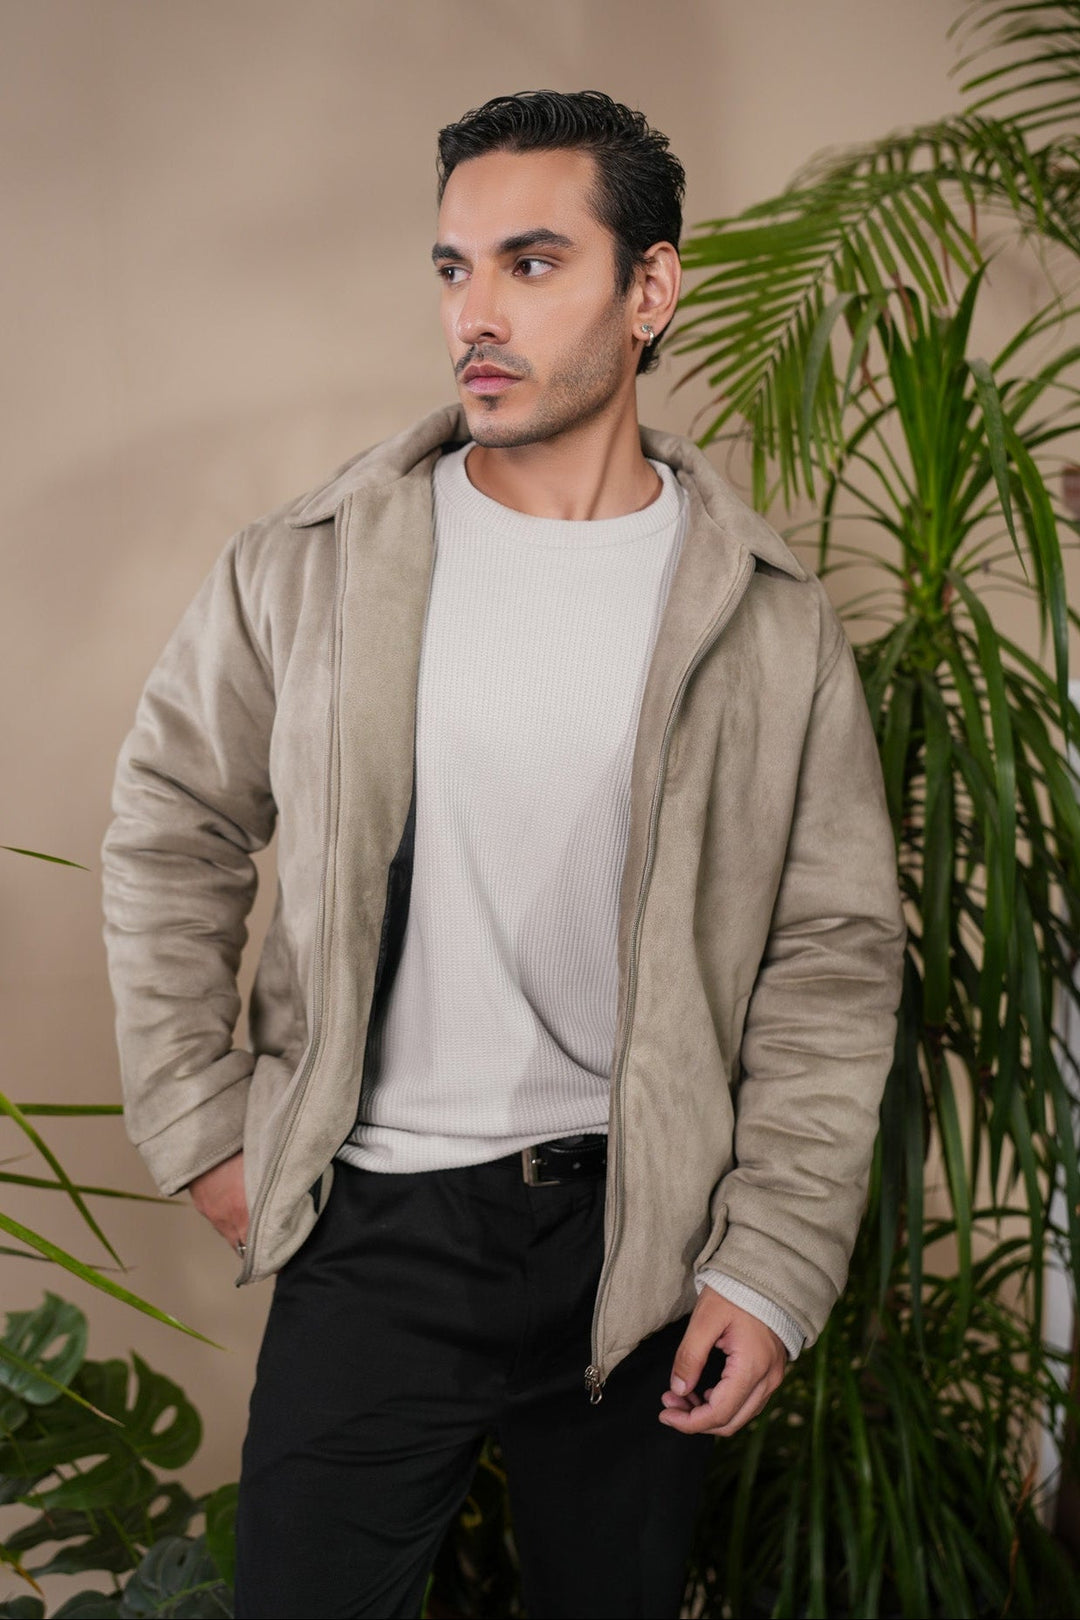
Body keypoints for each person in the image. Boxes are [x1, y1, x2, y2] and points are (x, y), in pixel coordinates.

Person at [101, 89, 906, 1620]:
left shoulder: (771, 621)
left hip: (646, 1237)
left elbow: (834, 957)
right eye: (454, 268)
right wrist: (202, 1125)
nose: (476, 312)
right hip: (377, 1221)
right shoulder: (312, 565)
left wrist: (772, 1261)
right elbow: (171, 827)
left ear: (649, 288)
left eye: (531, 264)